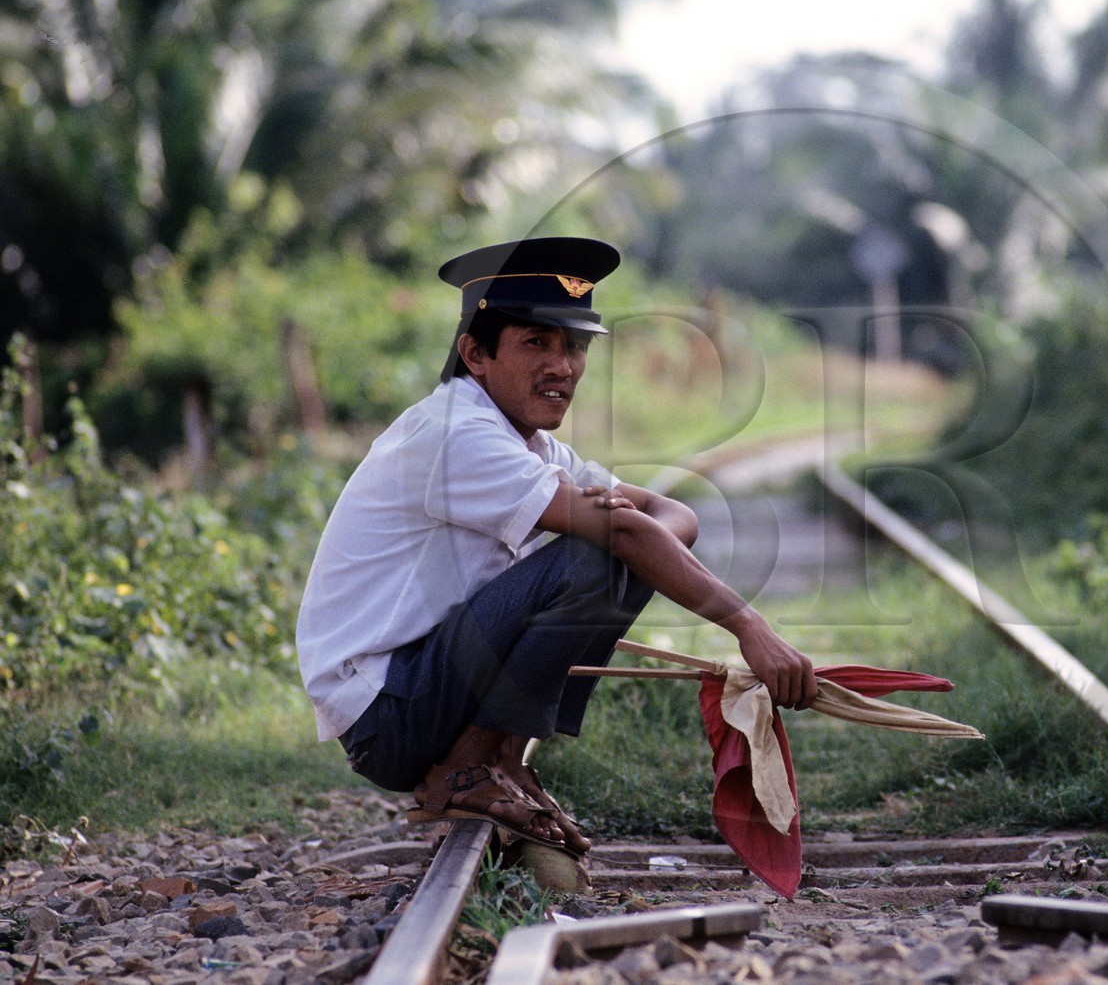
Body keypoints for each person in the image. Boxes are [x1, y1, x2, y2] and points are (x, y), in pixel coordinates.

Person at [295, 237, 816, 854]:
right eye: (535, 343)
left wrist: (631, 535)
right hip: (388, 711)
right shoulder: (454, 433)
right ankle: (468, 767)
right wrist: (747, 625)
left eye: (574, 346)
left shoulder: (532, 446)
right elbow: (629, 528)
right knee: (596, 554)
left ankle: (500, 761)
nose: (562, 366)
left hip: (426, 684)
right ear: (475, 354)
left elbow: (672, 515)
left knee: (621, 548)